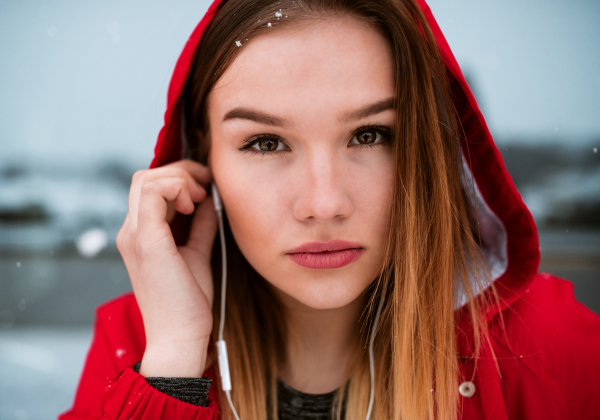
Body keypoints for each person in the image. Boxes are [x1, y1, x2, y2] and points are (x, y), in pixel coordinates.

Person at [59, 0, 600, 418]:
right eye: (266, 143)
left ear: (433, 148)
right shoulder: (140, 340)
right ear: (202, 160)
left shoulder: (548, 348)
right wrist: (172, 369)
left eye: (370, 134)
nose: (323, 204)